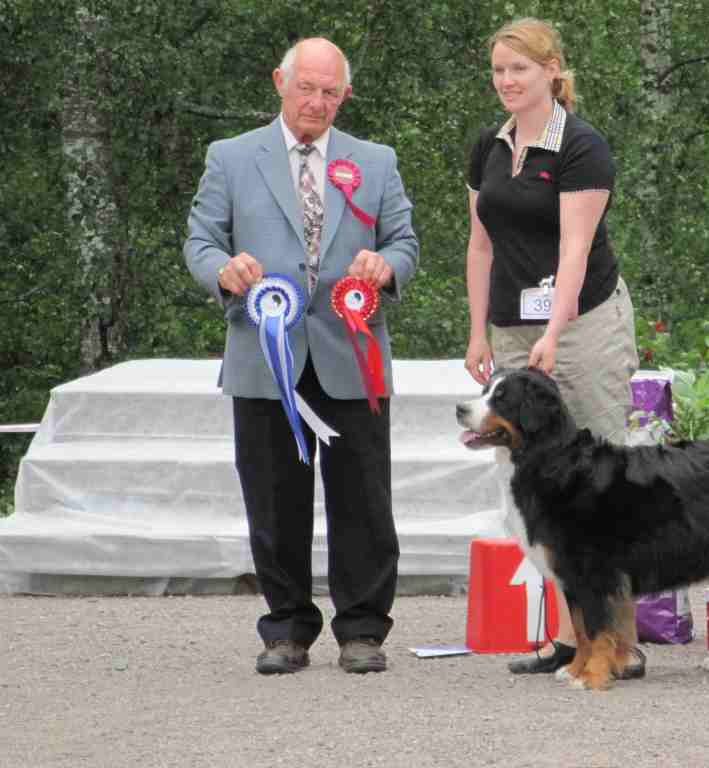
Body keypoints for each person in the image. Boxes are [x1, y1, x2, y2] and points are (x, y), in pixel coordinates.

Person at [184, 37, 418, 675]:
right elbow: (201, 240)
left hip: (354, 353)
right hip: (266, 356)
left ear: (346, 94)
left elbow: (404, 242)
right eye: (306, 87)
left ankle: (363, 630)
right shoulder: (230, 158)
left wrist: (384, 265)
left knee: (365, 502)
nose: (317, 102)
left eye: (330, 91)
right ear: (279, 83)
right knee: (272, 499)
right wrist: (224, 270)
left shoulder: (376, 160)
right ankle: (285, 629)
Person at [463, 18, 643, 678]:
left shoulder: (582, 147)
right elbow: (481, 245)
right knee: (528, 484)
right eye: (499, 71)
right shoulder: (488, 143)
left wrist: (556, 333)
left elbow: (574, 250)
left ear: (552, 71)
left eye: (520, 69)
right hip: (511, 329)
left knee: (600, 483)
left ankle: (619, 643)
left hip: (584, 322)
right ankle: (571, 635)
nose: (508, 81)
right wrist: (478, 330)